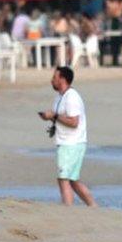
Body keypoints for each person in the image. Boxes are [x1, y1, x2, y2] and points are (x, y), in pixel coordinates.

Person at [39, 66, 97, 207]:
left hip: (72, 143)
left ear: (62, 79)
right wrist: (50, 118)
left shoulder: (72, 97)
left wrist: (55, 116)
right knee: (73, 180)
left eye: (55, 78)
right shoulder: (60, 96)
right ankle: (93, 207)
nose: (52, 80)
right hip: (69, 142)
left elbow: (74, 122)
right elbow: (60, 117)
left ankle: (68, 210)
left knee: (63, 178)